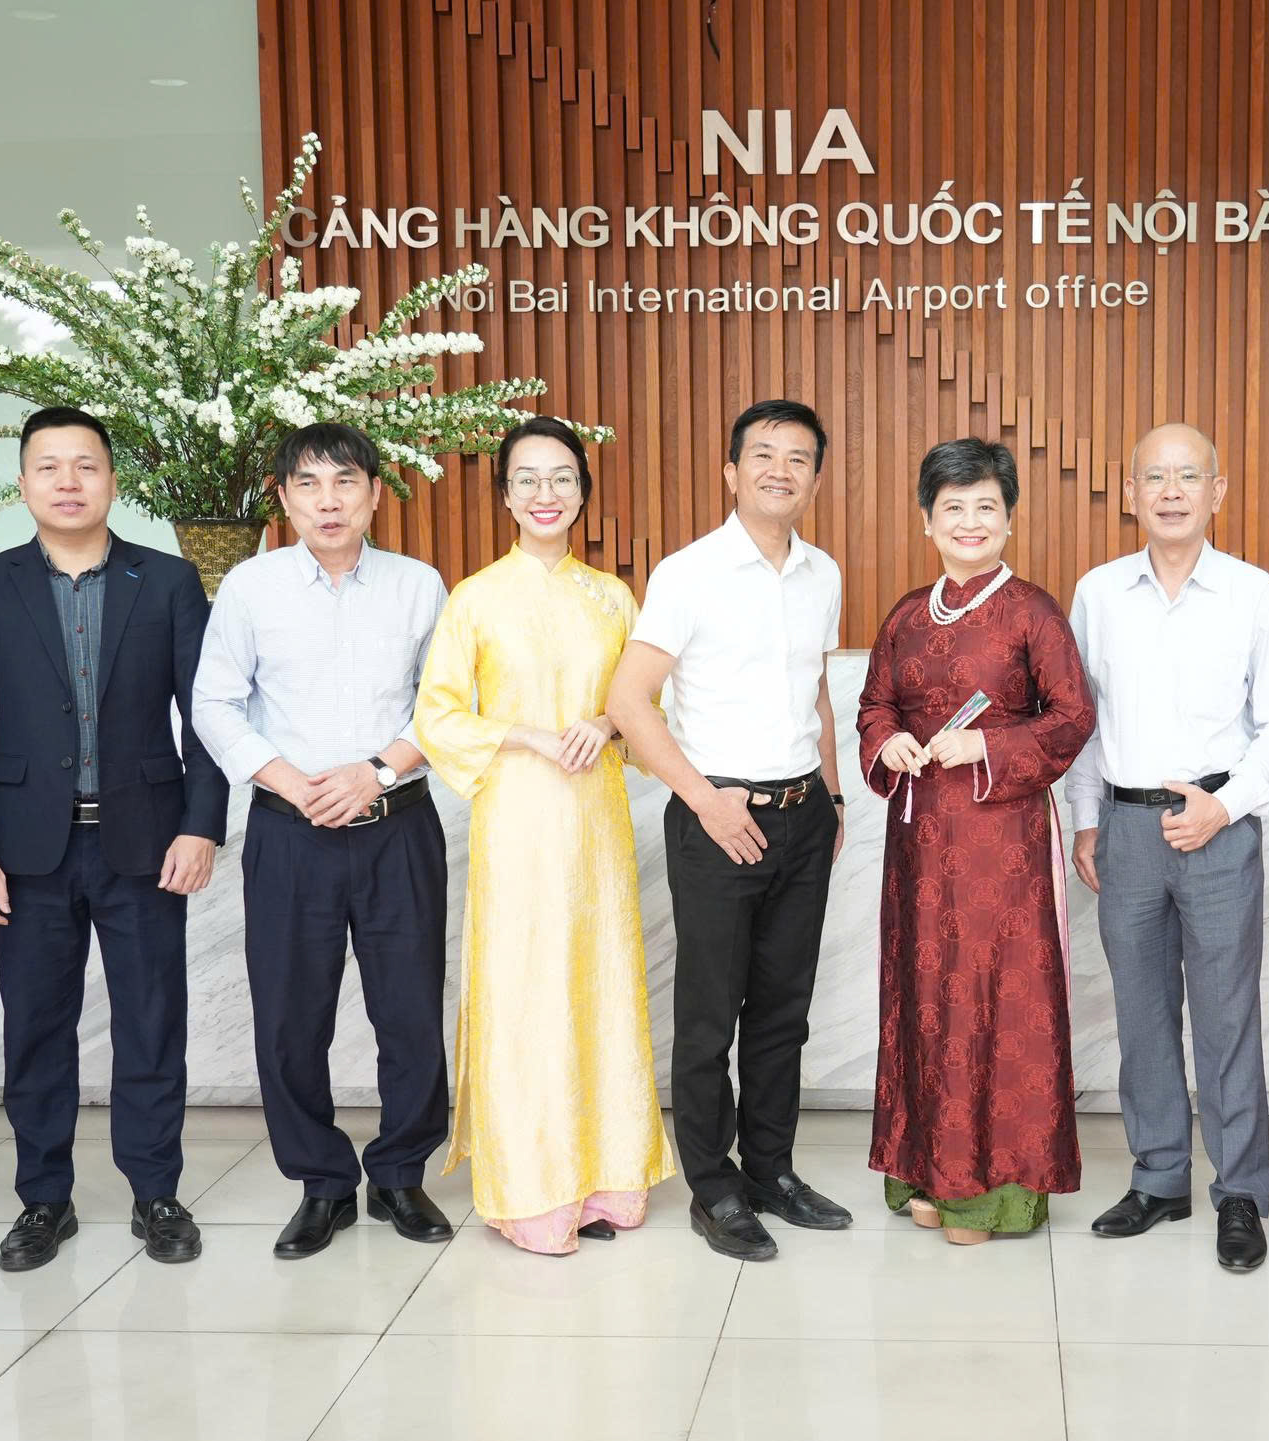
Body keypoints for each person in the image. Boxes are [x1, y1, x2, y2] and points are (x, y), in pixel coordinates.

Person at [0, 405, 226, 1271]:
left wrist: (201, 824)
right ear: (23, 482)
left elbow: (206, 716)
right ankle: (43, 1198)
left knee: (151, 1022)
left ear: (113, 479)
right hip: (25, 850)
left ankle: (156, 1191)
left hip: (145, 842)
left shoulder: (168, 580)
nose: (68, 481)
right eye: (49, 466)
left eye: (86, 465)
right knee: (36, 1027)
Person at [414, 416, 677, 1254]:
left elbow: (650, 707)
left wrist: (606, 721)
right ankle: (530, 1188)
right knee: (525, 988)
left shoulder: (614, 597)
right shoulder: (475, 597)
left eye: (562, 476)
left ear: (584, 492)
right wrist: (525, 733)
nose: (545, 493)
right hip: (518, 821)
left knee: (599, 984)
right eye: (526, 478)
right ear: (503, 495)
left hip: (596, 823)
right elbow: (437, 715)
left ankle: (606, 1175)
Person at [191, 423, 453, 1259]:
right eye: (308, 483)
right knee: (289, 1018)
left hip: (396, 827)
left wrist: (377, 771)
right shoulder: (251, 586)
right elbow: (213, 703)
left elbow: (445, 704)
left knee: (409, 1012)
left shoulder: (418, 586)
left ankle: (401, 1173)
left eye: (345, 481)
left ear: (375, 492)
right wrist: (287, 779)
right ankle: (321, 1182)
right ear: (283, 498)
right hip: (289, 831)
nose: (328, 500)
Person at [606, 399, 851, 1262]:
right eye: (763, 455)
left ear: (815, 478)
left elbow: (816, 690)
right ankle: (713, 1187)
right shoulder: (689, 572)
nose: (780, 470)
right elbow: (628, 700)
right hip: (716, 818)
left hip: (802, 815)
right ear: (731, 471)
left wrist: (833, 796)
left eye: (798, 458)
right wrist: (706, 800)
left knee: (784, 1011)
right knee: (710, 1016)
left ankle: (770, 1169)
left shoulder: (822, 573)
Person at [1065, 421, 1269, 1274]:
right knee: (1141, 1011)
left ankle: (1239, 1192)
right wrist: (1086, 817)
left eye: (1189, 476)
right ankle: (1160, 1175)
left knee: (1227, 1016)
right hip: (1125, 827)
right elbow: (1083, 718)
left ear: (1217, 490)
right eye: (1155, 477)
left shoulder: (1253, 593)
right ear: (1130, 492)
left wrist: (1224, 805)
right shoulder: (1098, 592)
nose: (1171, 491)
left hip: (1218, 824)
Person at [857, 438, 1096, 1245]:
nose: (969, 522)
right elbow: (875, 704)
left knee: (995, 998)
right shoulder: (905, 614)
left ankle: (993, 1192)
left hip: (1004, 841)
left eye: (986, 506)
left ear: (1009, 518)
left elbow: (1073, 717)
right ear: (927, 520)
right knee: (925, 996)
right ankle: (926, 1172)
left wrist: (986, 746)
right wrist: (888, 739)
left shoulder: (1033, 611)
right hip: (920, 842)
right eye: (952, 507)